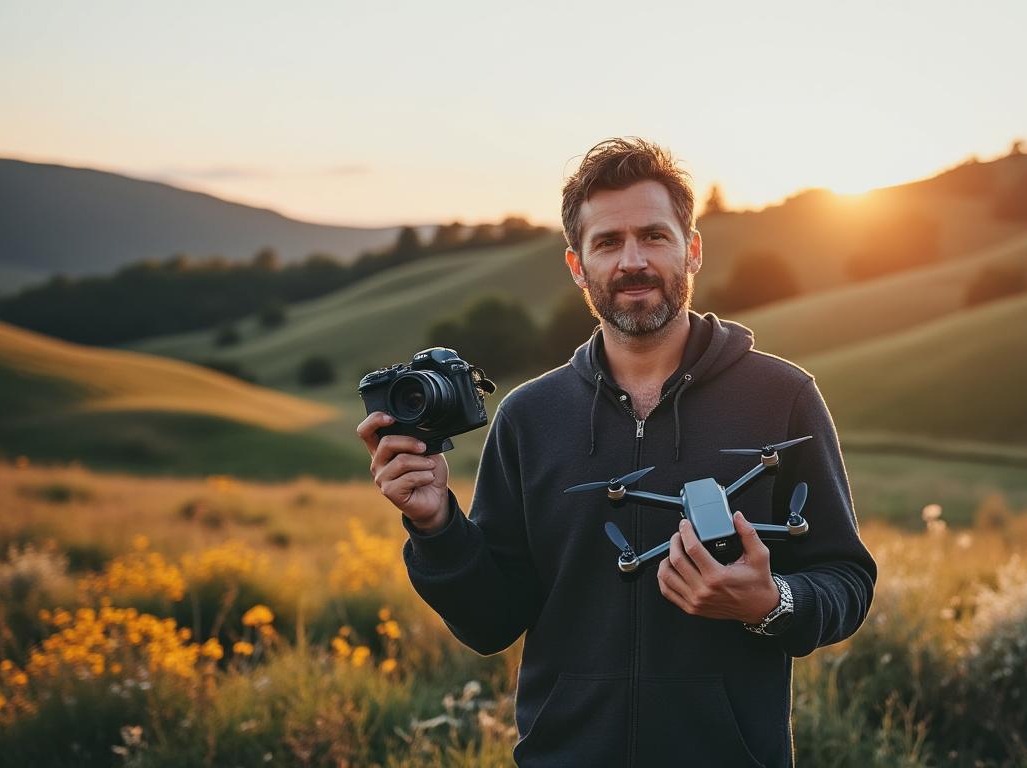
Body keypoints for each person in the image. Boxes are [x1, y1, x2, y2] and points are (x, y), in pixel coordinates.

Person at [356, 137, 877, 767]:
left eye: (654, 236)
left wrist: (772, 604)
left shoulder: (782, 396)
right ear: (578, 266)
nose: (632, 260)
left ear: (694, 249)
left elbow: (846, 579)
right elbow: (492, 623)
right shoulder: (529, 416)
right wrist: (434, 523)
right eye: (608, 243)